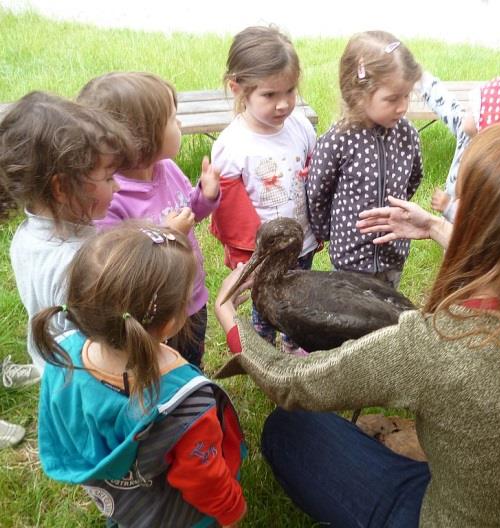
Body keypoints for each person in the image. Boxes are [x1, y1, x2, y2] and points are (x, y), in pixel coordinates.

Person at [217, 123, 500, 527]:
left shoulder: (433, 346)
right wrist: (435, 227)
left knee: (290, 428)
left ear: (467, 214)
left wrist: (231, 318)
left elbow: (289, 380)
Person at [33, 224, 247, 528]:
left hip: (126, 507)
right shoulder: (186, 402)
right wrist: (232, 510)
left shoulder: (62, 356)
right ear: (171, 322)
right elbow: (204, 477)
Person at [77, 72, 220, 368]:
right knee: (156, 369)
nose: (179, 124)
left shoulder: (166, 168)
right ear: (141, 138)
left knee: (192, 361)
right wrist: (166, 235)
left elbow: (187, 215)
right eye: (172, 118)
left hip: (190, 296)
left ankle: (193, 393)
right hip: (152, 315)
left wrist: (204, 198)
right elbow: (118, 265)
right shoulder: (111, 198)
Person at [0, 91, 133, 374]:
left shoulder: (25, 235)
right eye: (108, 178)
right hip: (83, 375)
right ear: (61, 188)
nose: (118, 187)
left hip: (51, 360)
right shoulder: (80, 262)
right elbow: (102, 338)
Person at [210, 26, 318, 354]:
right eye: (269, 95)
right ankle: (263, 345)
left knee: (297, 295)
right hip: (263, 253)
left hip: (302, 241)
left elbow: (314, 170)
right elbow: (230, 211)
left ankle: (293, 340)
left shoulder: (300, 126)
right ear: (238, 88)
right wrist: (247, 257)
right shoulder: (233, 144)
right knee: (265, 301)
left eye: (290, 91)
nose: (283, 104)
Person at [307, 30, 424, 289]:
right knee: (352, 319)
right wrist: (329, 232)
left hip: (394, 252)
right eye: (392, 98)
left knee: (387, 315)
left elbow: (413, 178)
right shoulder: (339, 139)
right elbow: (317, 192)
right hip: (350, 258)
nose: (403, 106)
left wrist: (398, 210)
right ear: (357, 92)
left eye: (406, 95)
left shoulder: (407, 134)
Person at [419, 72, 500, 221]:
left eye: (474, 109)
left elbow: (480, 225)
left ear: (486, 127)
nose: (467, 110)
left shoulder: (494, 174)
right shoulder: (466, 134)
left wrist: (449, 207)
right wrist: (417, 75)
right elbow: (444, 103)